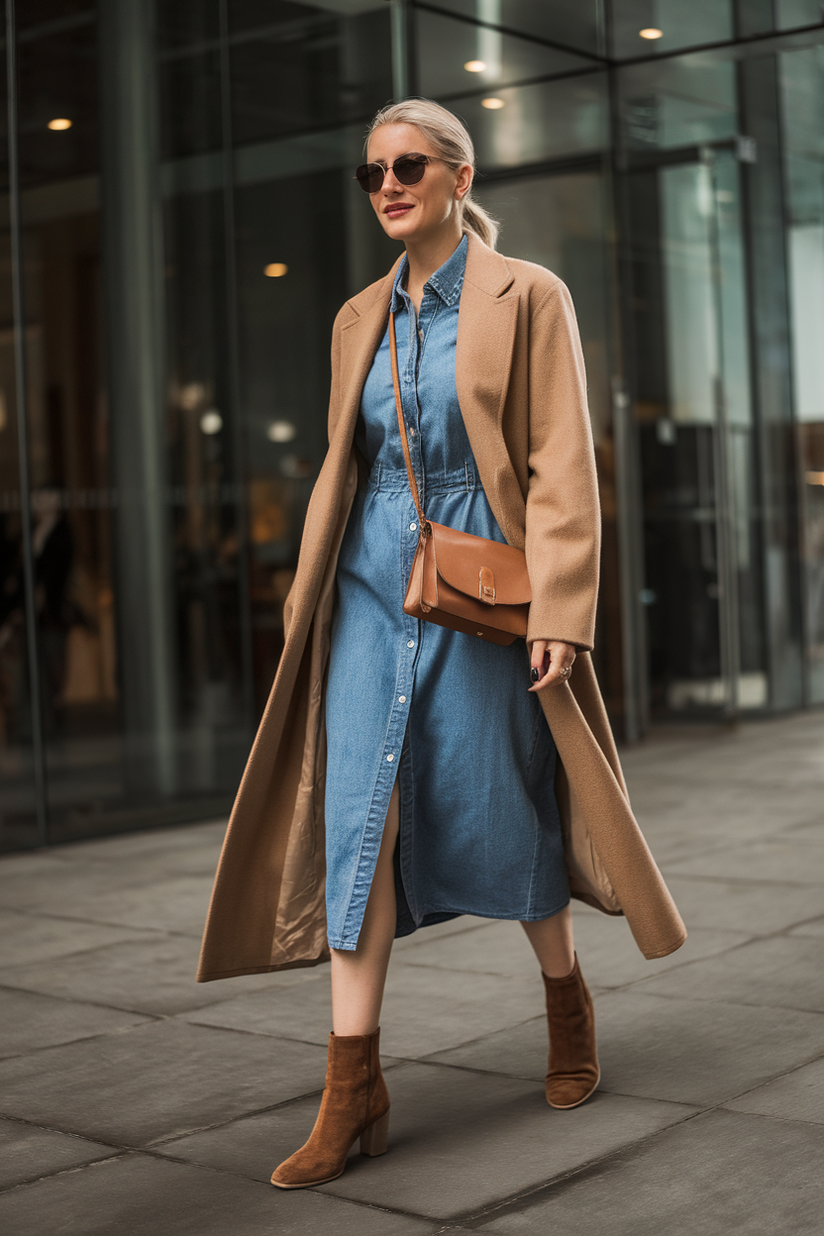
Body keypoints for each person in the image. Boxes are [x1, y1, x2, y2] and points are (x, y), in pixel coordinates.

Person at [197, 98, 686, 1190]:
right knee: (355, 822)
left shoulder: (528, 296)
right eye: (370, 172)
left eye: (407, 165)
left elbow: (563, 461)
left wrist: (561, 610)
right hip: (370, 591)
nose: (387, 185)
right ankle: (351, 1085)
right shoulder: (353, 316)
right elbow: (347, 465)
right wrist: (305, 602)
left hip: (484, 590)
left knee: (499, 797)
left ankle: (564, 998)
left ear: (458, 175)